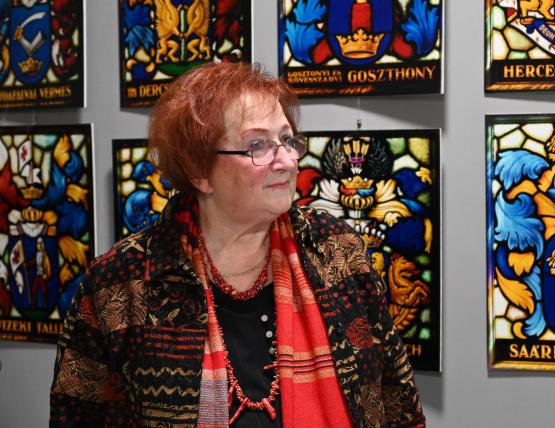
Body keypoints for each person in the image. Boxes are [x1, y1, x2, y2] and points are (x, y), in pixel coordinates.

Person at [50, 62, 425, 427]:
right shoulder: (121, 280)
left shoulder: (336, 248)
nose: (286, 161)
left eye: (288, 140)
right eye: (257, 145)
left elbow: (398, 402)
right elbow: (75, 414)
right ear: (198, 169)